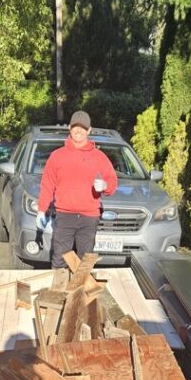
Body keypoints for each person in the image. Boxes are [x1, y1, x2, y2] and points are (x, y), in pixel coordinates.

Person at [36, 110, 118, 268]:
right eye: (75, 126)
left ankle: (80, 292)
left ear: (89, 130)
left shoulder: (99, 157)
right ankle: (59, 292)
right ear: (69, 128)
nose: (78, 130)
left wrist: (105, 186)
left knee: (85, 263)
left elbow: (112, 181)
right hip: (64, 216)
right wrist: (41, 210)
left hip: (89, 217)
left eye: (83, 127)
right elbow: (47, 185)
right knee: (60, 260)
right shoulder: (57, 156)